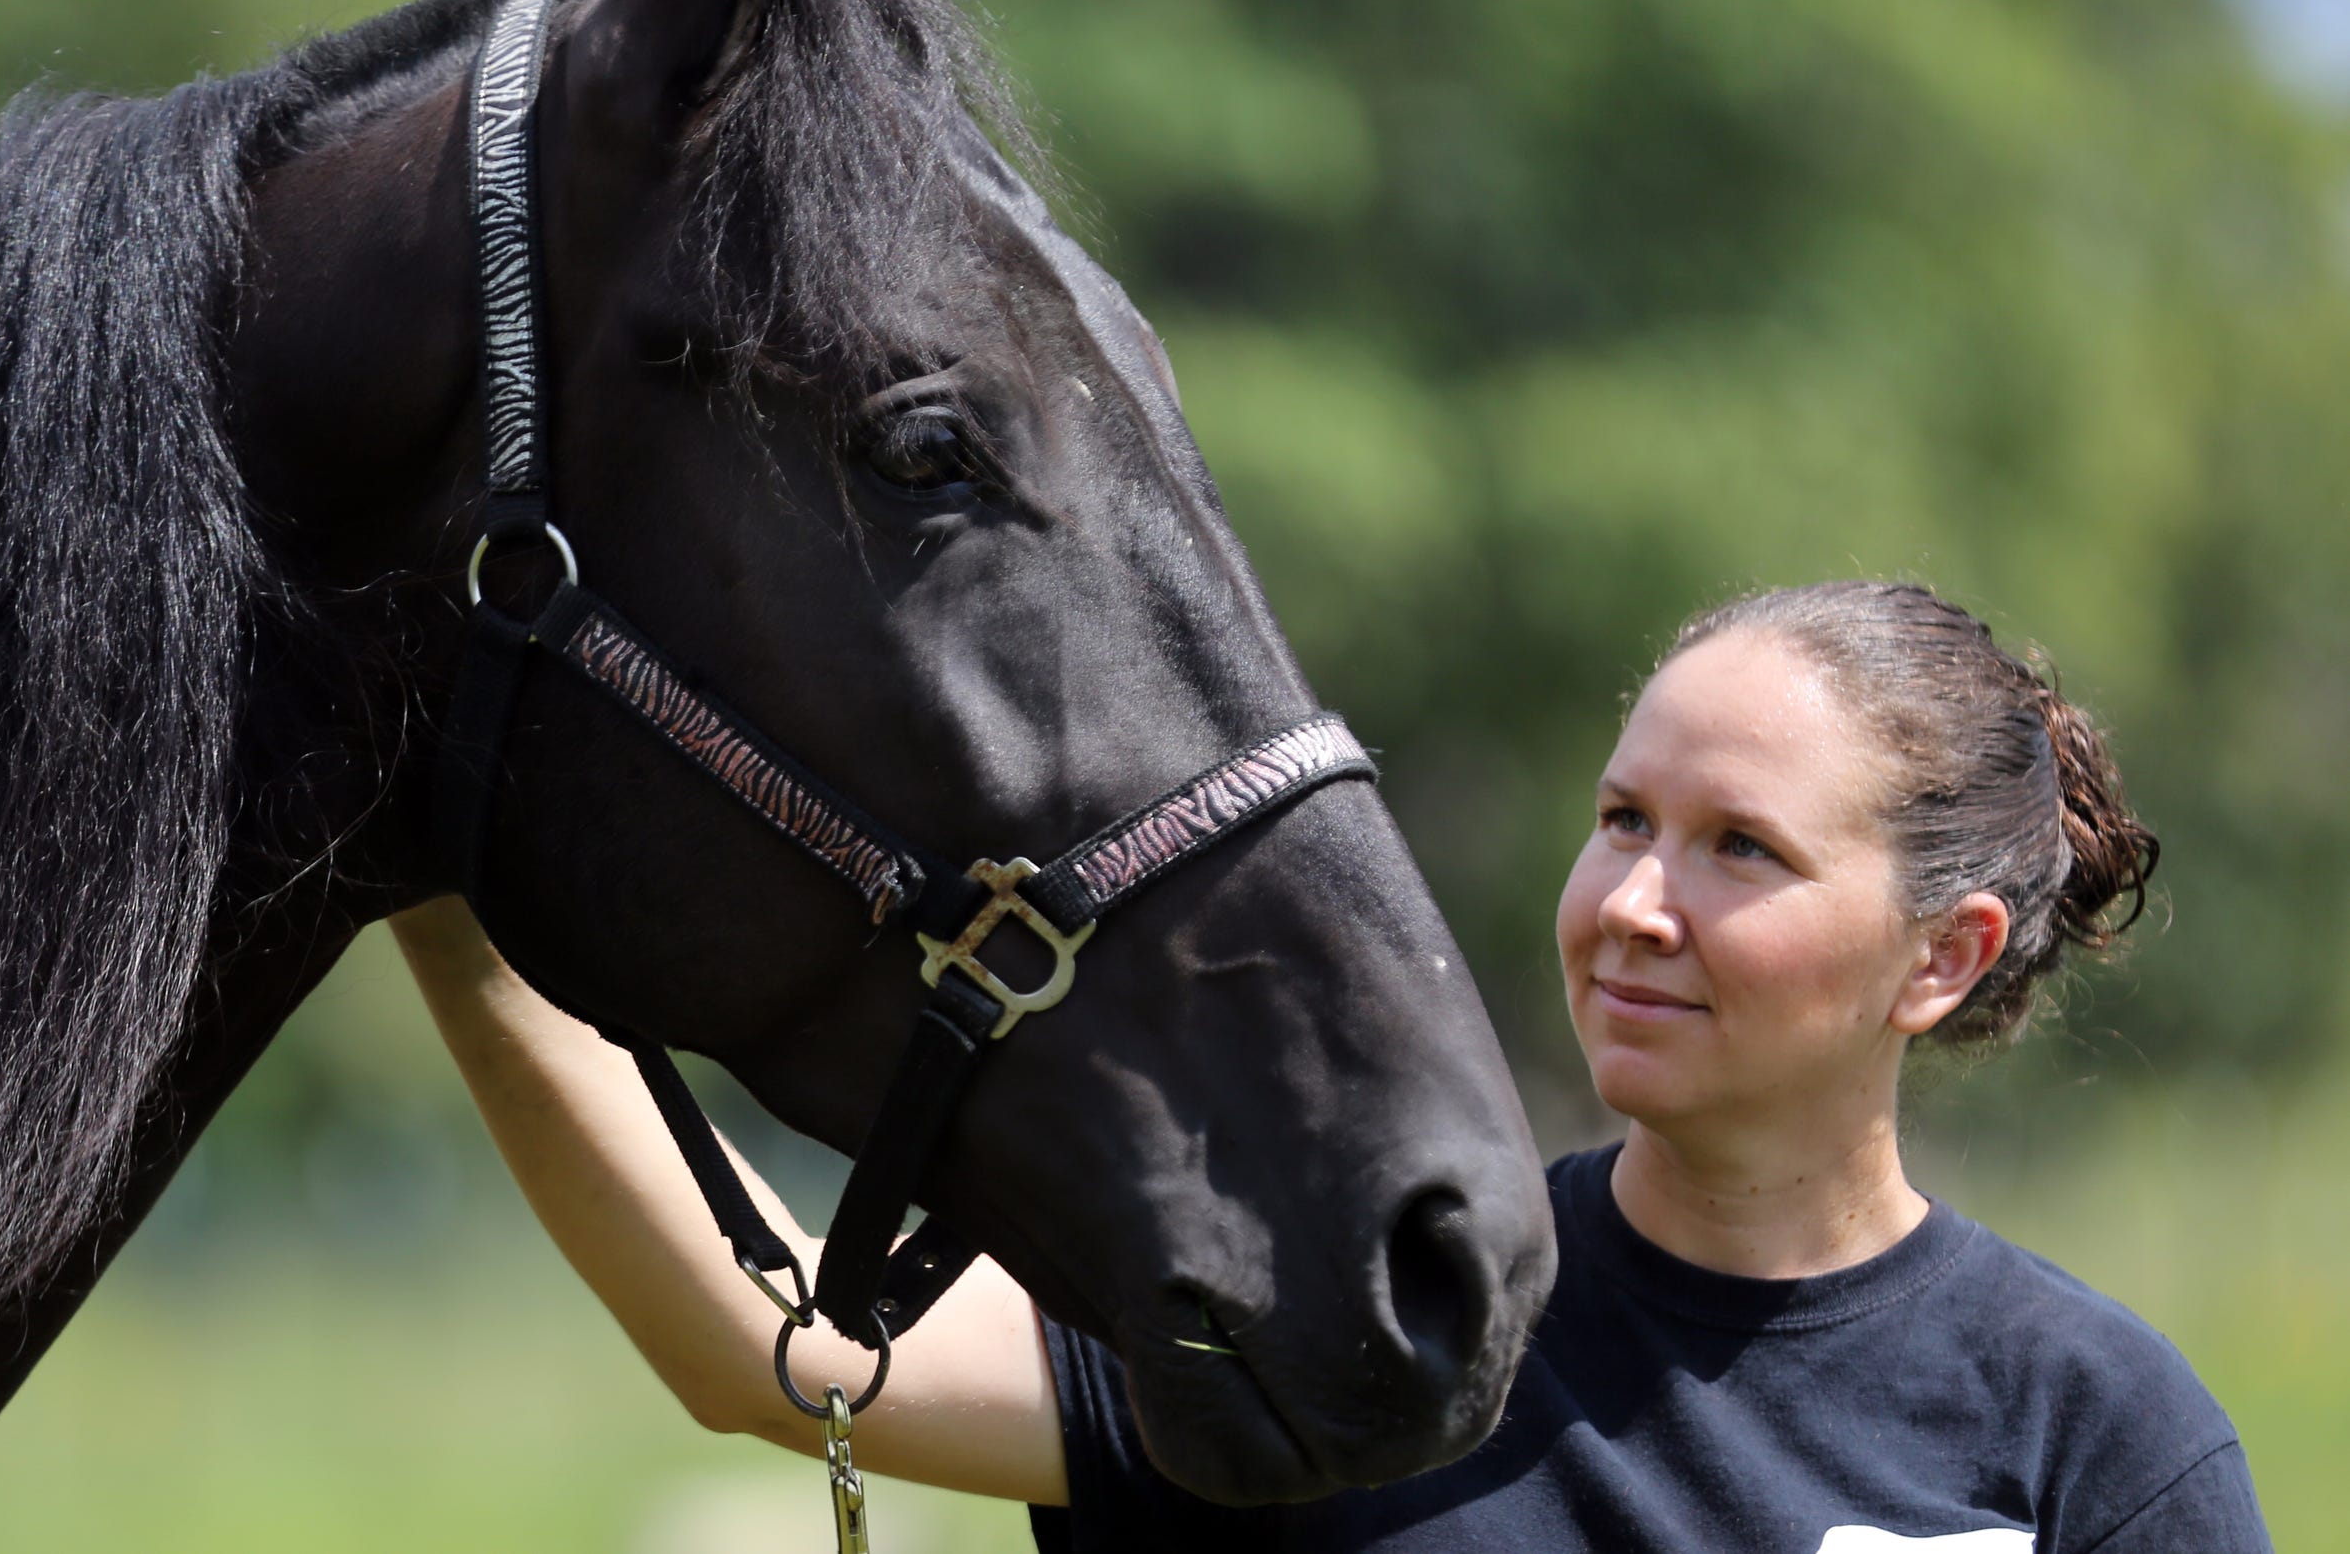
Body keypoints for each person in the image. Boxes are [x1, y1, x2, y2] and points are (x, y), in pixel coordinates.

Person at [392, 581, 2271, 1551]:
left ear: (1937, 961)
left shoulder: (2088, 1438)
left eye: (1740, 851)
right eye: (1622, 818)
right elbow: (785, 1351)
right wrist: (449, 871)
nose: (1632, 901)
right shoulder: (1369, 1330)